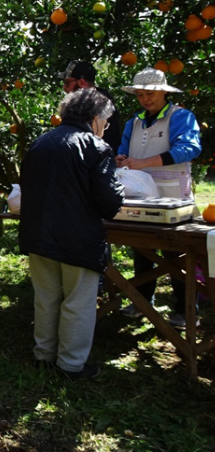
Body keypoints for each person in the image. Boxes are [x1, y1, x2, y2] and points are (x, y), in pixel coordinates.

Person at [20, 89, 124, 379]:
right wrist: (120, 188)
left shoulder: (39, 143)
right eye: (104, 122)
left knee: (46, 297)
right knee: (78, 302)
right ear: (93, 119)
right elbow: (109, 203)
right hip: (78, 238)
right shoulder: (96, 147)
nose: (104, 128)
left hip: (38, 234)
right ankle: (70, 365)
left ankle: (44, 354)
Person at [115, 68, 202, 329]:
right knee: (142, 250)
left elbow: (189, 148)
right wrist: (121, 158)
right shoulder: (135, 122)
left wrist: (144, 162)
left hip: (172, 194)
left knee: (177, 253)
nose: (145, 99)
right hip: (141, 195)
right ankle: (142, 301)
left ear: (164, 92)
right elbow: (123, 148)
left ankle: (185, 310)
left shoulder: (180, 117)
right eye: (140, 95)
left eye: (150, 93)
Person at [59, 61, 122, 153]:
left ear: (81, 82)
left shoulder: (101, 105)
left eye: (67, 83)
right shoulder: (82, 104)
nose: (64, 87)